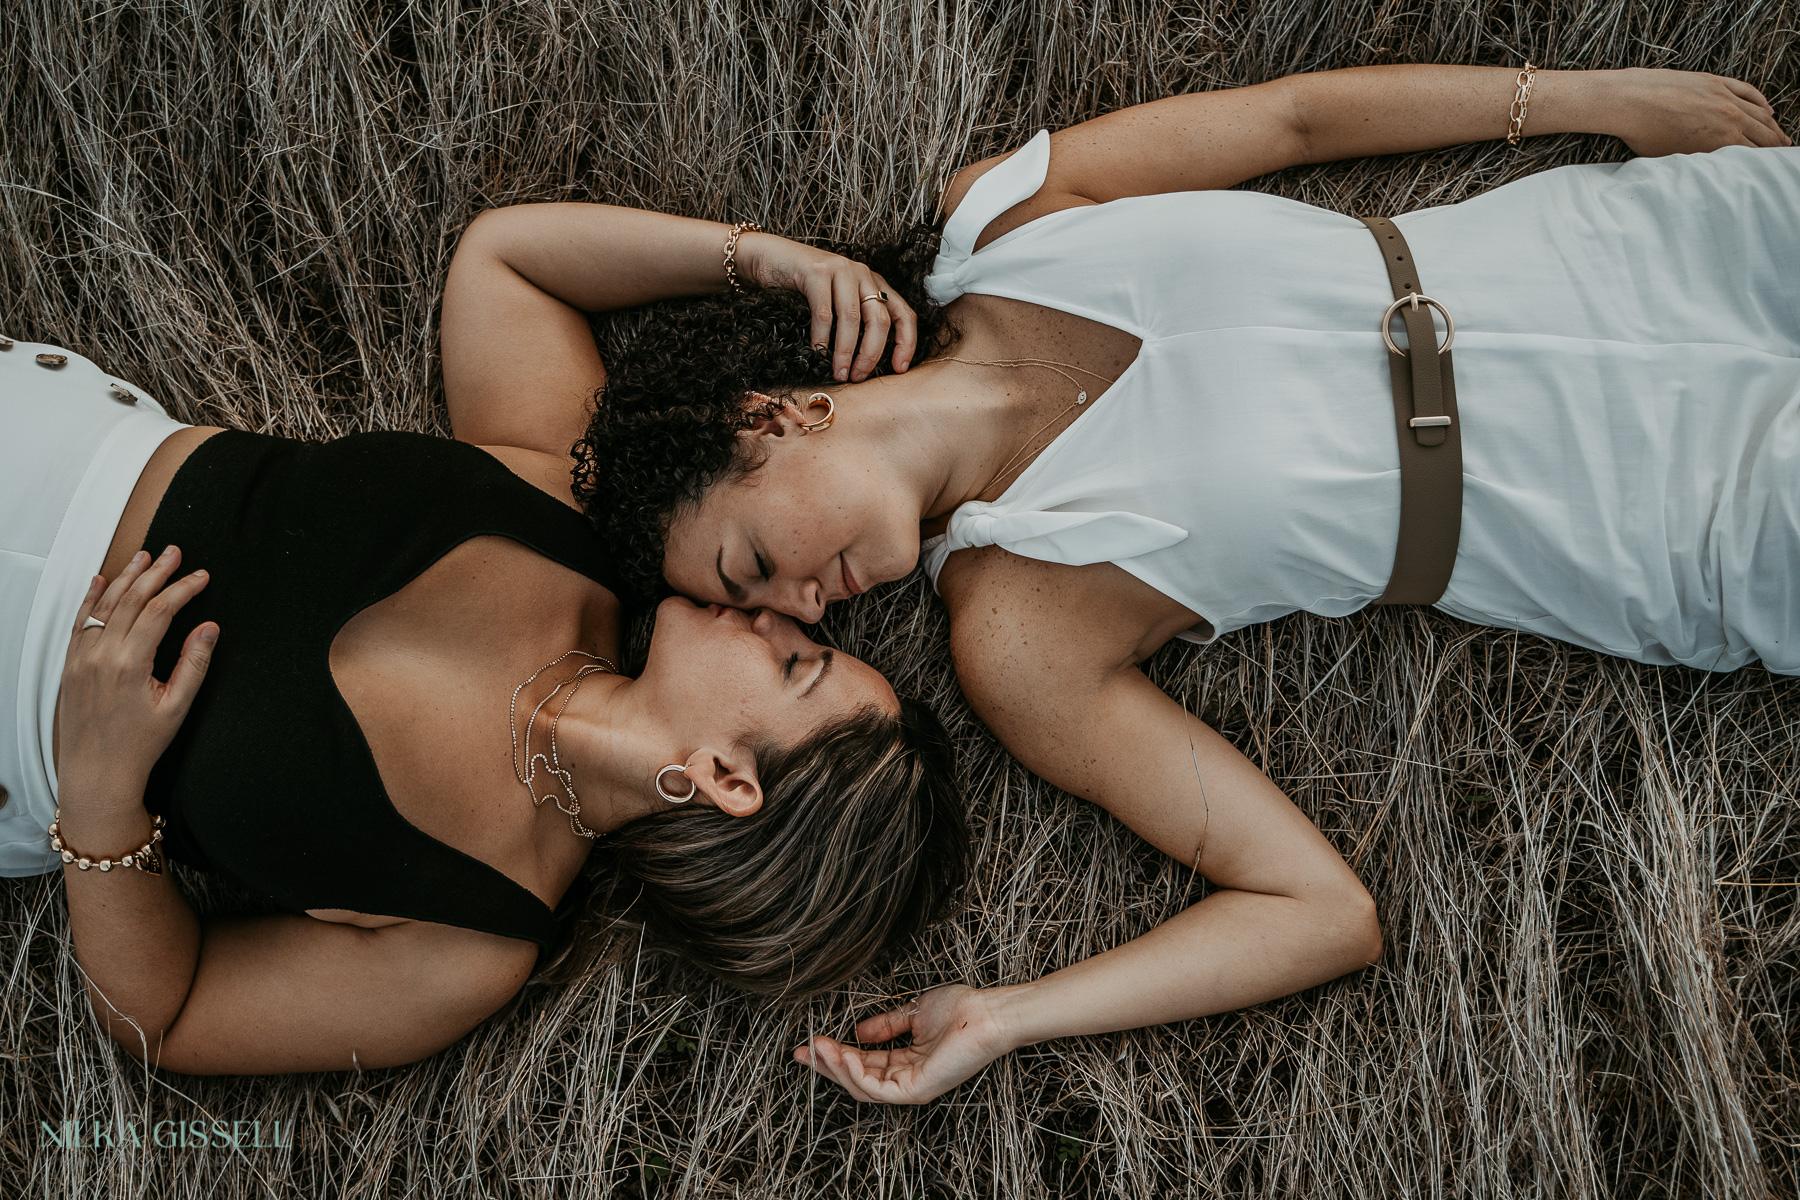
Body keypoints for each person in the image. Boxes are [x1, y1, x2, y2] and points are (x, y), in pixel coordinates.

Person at [553, 63, 1796, 1102]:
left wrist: (1601, 97)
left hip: (1642, 250)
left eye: (752, 564)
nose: (806, 607)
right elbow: (1316, 910)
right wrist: (1006, 1020)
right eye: (782, 620)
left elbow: (1294, 122)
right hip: (1667, 516)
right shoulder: (1020, 625)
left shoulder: (1001, 219)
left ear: (767, 418)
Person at [0, 214, 970, 1075]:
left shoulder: (468, 941)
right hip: (50, 444)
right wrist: (762, 258)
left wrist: (100, 794)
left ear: (724, 776)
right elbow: (505, 264)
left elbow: (164, 1017)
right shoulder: (580, 528)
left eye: (797, 664)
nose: (784, 617)